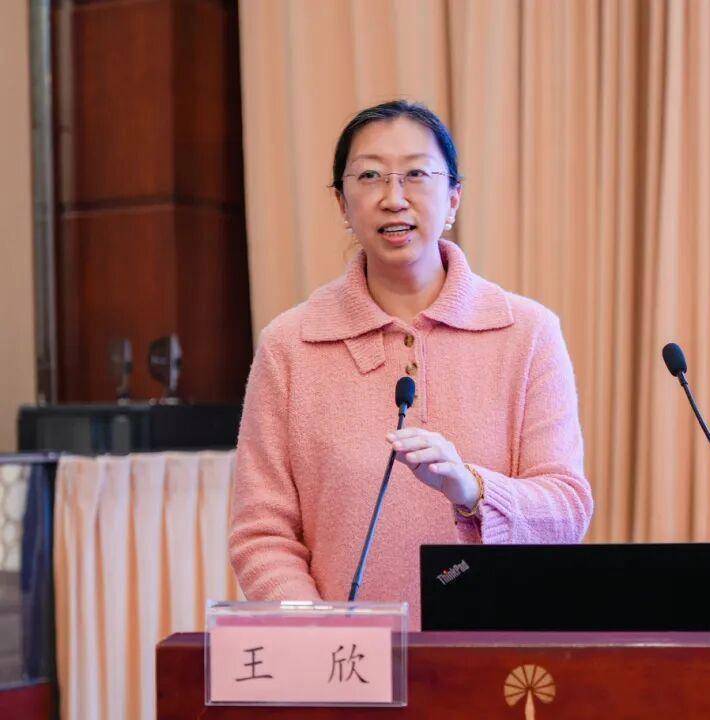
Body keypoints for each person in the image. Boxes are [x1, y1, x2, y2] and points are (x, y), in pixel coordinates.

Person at [229, 100, 593, 625]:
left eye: (416, 174)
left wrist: (472, 489)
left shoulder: (528, 333)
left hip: (495, 652)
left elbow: (566, 510)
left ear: (453, 199)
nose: (393, 198)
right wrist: (323, 635)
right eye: (369, 176)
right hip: (346, 659)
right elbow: (262, 534)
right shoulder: (290, 344)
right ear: (342, 203)